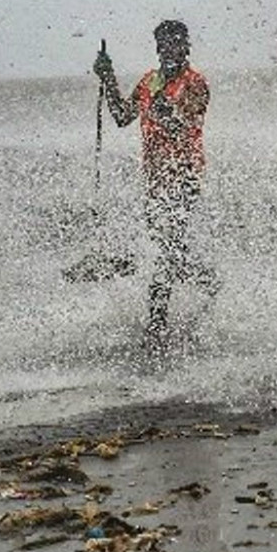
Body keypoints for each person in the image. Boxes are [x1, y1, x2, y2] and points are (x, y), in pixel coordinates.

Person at [93, 20, 219, 342]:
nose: (170, 49)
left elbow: (187, 124)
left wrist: (167, 114)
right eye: (164, 44)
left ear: (186, 46)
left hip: (184, 176)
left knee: (167, 250)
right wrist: (108, 79)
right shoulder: (150, 81)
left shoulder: (195, 83)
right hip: (154, 179)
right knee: (168, 248)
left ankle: (157, 323)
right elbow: (122, 116)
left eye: (176, 43)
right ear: (158, 47)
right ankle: (207, 284)